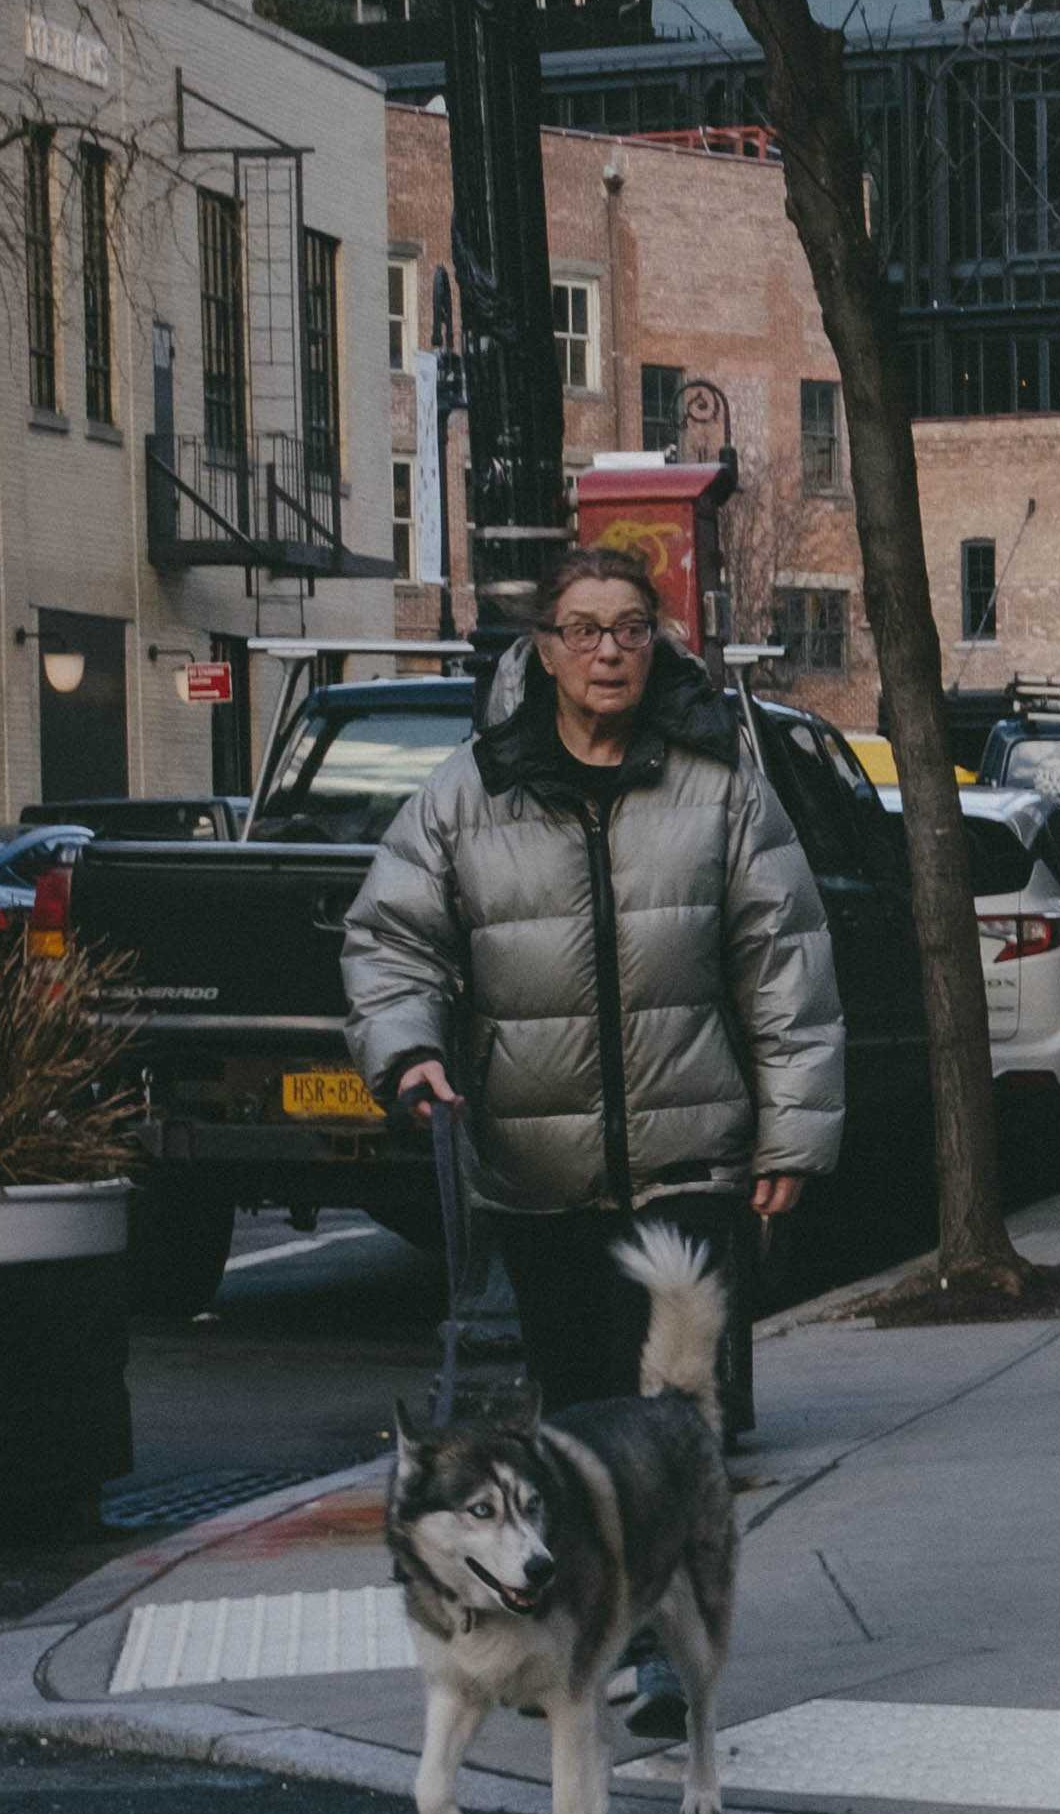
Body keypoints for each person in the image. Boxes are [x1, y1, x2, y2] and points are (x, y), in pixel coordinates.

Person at [340, 552, 843, 1720]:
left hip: (693, 1160)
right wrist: (409, 1048)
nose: (608, 650)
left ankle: (665, 1647)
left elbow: (787, 969)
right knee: (571, 1420)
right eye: (583, 630)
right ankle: (576, 1633)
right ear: (547, 651)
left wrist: (790, 1138)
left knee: (670, 1421)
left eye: (628, 629)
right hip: (540, 1169)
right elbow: (392, 939)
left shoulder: (718, 788)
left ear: (655, 644)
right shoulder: (469, 791)